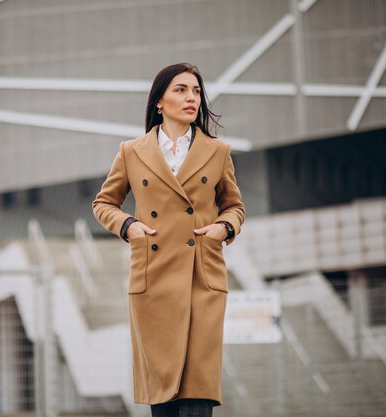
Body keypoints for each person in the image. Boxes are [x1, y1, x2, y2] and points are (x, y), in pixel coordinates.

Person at [92, 63, 245, 417]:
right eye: (181, 90)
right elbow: (104, 203)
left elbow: (234, 206)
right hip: (154, 278)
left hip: (200, 279)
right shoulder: (132, 151)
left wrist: (223, 228)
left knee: (196, 395)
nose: (191, 97)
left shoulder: (218, 151)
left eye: (195, 91)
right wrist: (128, 225)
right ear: (159, 100)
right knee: (162, 398)